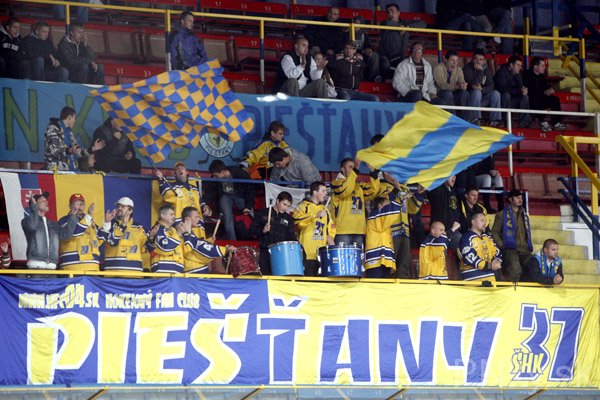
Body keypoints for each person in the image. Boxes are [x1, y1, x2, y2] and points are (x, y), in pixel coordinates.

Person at [379, 173, 425, 279]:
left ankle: (403, 284)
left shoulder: (404, 188)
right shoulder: (380, 186)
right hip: (388, 232)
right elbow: (383, 205)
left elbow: (412, 209)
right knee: (389, 265)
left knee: (404, 265)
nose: (393, 174)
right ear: (384, 173)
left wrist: (419, 194)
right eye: (389, 172)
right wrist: (396, 189)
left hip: (404, 231)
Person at [331, 158, 380, 248]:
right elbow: (345, 190)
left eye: (354, 167)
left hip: (359, 230)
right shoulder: (336, 183)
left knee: (359, 257)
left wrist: (373, 172)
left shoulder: (359, 186)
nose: (353, 170)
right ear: (342, 169)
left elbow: (373, 191)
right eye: (350, 167)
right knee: (344, 257)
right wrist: (355, 170)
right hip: (343, 231)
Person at [21, 192, 77, 270]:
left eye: (46, 200)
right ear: (35, 204)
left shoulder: (53, 224)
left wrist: (73, 217)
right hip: (35, 265)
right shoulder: (26, 221)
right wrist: (34, 207)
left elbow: (66, 236)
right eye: (43, 200)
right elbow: (33, 226)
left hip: (52, 266)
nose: (46, 202)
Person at [155, 162, 209, 238]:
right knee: (184, 244)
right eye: (177, 169)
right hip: (182, 225)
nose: (180, 169)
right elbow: (165, 192)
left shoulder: (194, 189)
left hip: (197, 225)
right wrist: (160, 179)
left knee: (198, 244)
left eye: (182, 168)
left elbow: (201, 203)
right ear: (175, 174)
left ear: (187, 172)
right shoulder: (172, 187)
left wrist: (205, 207)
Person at [294, 181, 335, 276]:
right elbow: (297, 221)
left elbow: (331, 227)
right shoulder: (303, 206)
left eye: (326, 191)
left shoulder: (325, 209)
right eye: (323, 191)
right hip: (306, 254)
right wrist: (315, 215)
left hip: (321, 254)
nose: (325, 193)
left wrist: (331, 237)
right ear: (315, 192)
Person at [250, 191, 297, 275]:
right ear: (277, 201)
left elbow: (292, 236)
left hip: (282, 254)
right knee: (265, 276)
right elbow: (252, 231)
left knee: (280, 277)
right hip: (265, 251)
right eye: (284, 204)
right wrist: (263, 230)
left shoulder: (288, 218)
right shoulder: (263, 213)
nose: (286, 208)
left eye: (288, 206)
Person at [44, 106, 104, 171]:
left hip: (69, 170)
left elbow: (77, 151)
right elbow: (55, 151)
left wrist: (92, 148)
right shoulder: (53, 128)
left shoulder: (69, 133)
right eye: (74, 118)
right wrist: (70, 150)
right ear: (69, 117)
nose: (75, 120)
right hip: (55, 171)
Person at [208, 160, 256, 241]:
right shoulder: (216, 179)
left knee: (250, 213)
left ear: (223, 172)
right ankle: (232, 242)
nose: (214, 178)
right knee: (227, 218)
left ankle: (253, 239)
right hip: (226, 196)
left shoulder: (239, 173)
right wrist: (216, 211)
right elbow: (215, 194)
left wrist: (248, 206)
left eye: (216, 176)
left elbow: (250, 190)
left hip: (240, 195)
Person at [491, 189, 533, 282]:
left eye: (521, 197)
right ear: (510, 199)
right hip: (510, 249)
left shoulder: (524, 215)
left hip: (524, 249)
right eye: (517, 197)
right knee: (515, 271)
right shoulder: (501, 214)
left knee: (534, 266)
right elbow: (494, 232)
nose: (520, 199)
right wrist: (502, 245)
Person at [98, 197, 148, 272]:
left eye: (123, 206)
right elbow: (111, 241)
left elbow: (146, 249)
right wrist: (123, 225)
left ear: (130, 210)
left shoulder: (139, 227)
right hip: (112, 272)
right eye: (118, 206)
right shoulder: (108, 224)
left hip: (135, 273)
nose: (119, 208)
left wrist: (151, 238)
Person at [180, 206, 233, 274]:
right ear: (187, 219)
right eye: (196, 217)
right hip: (194, 273)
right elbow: (201, 249)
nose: (198, 219)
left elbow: (197, 245)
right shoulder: (186, 236)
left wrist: (209, 241)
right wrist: (225, 249)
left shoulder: (189, 235)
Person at [378, 4, 426, 78]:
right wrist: (400, 28)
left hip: (399, 57)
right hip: (385, 57)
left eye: (392, 11)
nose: (390, 13)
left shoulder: (405, 24)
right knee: (386, 65)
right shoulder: (384, 23)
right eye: (388, 12)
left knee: (410, 68)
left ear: (398, 13)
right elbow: (388, 24)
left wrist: (407, 27)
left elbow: (423, 24)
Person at [58, 193, 102, 272]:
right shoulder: (63, 221)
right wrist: (88, 216)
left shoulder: (91, 222)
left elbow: (99, 241)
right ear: (69, 206)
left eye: (81, 204)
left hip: (93, 268)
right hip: (72, 268)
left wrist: (107, 224)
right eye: (76, 204)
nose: (78, 207)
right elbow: (72, 234)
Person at [524, 57, 566, 132]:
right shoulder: (526, 75)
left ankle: (556, 123)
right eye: (542, 66)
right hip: (530, 100)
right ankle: (542, 120)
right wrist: (544, 92)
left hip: (540, 97)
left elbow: (544, 87)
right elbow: (529, 91)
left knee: (554, 99)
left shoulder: (542, 76)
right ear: (535, 67)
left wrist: (550, 90)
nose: (545, 68)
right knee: (536, 98)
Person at [364, 196, 402, 278]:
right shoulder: (376, 216)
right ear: (379, 205)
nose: (388, 207)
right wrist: (399, 200)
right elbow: (391, 212)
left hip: (384, 258)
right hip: (375, 259)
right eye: (386, 205)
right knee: (375, 283)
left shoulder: (384, 220)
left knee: (385, 283)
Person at [463, 49, 502, 126]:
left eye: (481, 59)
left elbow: (491, 85)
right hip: (469, 99)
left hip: (481, 99)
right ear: (472, 60)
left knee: (495, 93)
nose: (478, 61)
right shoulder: (467, 68)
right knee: (477, 92)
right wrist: (480, 71)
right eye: (476, 59)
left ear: (484, 61)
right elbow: (474, 84)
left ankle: (495, 120)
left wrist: (482, 89)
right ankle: (476, 119)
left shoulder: (486, 69)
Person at [459, 212, 502, 282]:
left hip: (490, 277)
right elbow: (469, 257)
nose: (485, 223)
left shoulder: (487, 237)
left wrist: (497, 261)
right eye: (482, 220)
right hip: (473, 279)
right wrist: (489, 266)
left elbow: (496, 251)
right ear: (473, 222)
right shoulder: (466, 238)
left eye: (485, 221)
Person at [494, 55, 532, 127]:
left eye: (520, 65)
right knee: (506, 95)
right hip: (501, 101)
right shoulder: (501, 72)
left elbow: (521, 87)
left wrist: (524, 90)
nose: (520, 67)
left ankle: (524, 123)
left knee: (525, 97)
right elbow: (502, 88)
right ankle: (506, 121)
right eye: (518, 65)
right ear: (511, 65)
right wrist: (519, 90)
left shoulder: (518, 74)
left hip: (512, 100)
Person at [147, 205, 184, 273]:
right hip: (163, 270)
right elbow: (164, 248)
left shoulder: (174, 231)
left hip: (176, 271)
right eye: (171, 214)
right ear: (162, 216)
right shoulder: (157, 229)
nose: (174, 217)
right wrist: (178, 233)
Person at [427, 176, 462, 249]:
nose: (454, 178)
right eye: (451, 175)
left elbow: (456, 212)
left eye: (455, 175)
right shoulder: (437, 190)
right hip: (439, 232)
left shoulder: (454, 191)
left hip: (454, 232)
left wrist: (457, 223)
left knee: (465, 247)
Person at [351, 16, 380, 82]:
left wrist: (369, 50)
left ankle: (372, 79)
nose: (356, 25)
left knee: (375, 55)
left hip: (363, 55)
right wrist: (361, 51)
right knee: (358, 56)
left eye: (359, 24)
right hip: (351, 55)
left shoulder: (364, 35)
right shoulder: (348, 33)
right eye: (355, 23)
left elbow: (367, 46)